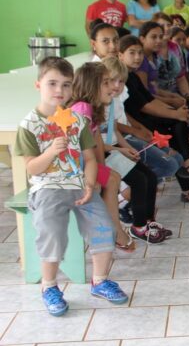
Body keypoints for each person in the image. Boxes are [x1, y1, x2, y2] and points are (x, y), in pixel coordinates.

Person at [15, 57, 128, 316]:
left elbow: (89, 158)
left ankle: (99, 281)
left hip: (80, 186)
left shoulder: (77, 121)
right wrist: (51, 151)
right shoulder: (29, 125)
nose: (59, 91)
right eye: (52, 83)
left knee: (102, 228)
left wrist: (90, 184)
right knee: (52, 233)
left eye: (66, 85)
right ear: (38, 85)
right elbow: (31, 168)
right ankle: (49, 286)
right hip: (47, 188)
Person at [70, 62, 170, 245]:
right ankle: (129, 228)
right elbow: (83, 147)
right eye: (107, 83)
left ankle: (142, 223)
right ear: (92, 85)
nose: (113, 87)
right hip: (78, 166)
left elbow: (97, 141)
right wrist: (102, 169)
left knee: (147, 176)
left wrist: (114, 156)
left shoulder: (93, 107)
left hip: (96, 159)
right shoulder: (83, 109)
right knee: (128, 179)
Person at [118, 35, 189, 204]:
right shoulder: (123, 77)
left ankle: (187, 166)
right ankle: (187, 174)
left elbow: (149, 98)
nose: (137, 57)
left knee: (179, 123)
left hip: (144, 118)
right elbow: (144, 106)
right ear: (120, 55)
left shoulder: (132, 75)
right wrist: (175, 113)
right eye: (132, 53)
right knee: (173, 134)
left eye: (139, 53)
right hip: (136, 125)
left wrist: (176, 111)